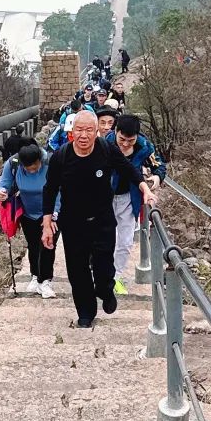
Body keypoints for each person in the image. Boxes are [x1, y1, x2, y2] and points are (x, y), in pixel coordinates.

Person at [41, 110, 155, 328]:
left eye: (89, 130)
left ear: (97, 132)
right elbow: (49, 190)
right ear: (72, 132)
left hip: (102, 220)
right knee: (77, 271)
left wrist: (144, 189)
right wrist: (47, 224)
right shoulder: (61, 157)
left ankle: (105, 289)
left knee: (104, 267)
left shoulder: (106, 149)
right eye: (79, 130)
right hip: (73, 223)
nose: (84, 135)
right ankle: (85, 312)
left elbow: (128, 169)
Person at [109, 113, 166, 288]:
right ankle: (101, 274)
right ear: (116, 131)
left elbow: (159, 165)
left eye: (130, 141)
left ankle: (115, 277)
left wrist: (157, 177)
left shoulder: (144, 147)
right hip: (105, 197)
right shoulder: (105, 144)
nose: (125, 144)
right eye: (122, 139)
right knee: (105, 238)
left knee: (125, 242)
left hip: (129, 197)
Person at [0, 142, 56, 298]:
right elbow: (4, 183)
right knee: (33, 245)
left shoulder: (51, 163)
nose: (32, 170)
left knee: (48, 245)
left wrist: (53, 214)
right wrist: (1, 191)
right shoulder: (13, 164)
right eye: (28, 168)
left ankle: (46, 280)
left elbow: (60, 189)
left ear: (39, 160)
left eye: (35, 167)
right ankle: (35, 276)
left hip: (50, 212)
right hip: (28, 213)